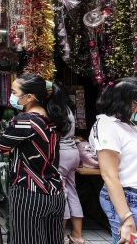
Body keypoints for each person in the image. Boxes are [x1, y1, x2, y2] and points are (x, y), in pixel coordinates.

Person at [0, 73, 70, 244]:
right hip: (54, 192)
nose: (11, 97)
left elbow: (1, 145)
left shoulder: (25, 120)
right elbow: (26, 148)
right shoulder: (49, 118)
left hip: (30, 192)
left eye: (14, 92)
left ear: (29, 97)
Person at [88, 77, 137, 244]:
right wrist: (126, 217)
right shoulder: (105, 126)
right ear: (127, 101)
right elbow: (109, 175)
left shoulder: (130, 126)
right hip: (132, 198)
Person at [56, 84, 84, 244]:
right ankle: (78, 235)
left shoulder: (54, 109)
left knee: (61, 192)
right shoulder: (67, 108)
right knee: (72, 192)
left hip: (61, 153)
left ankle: (62, 235)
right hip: (73, 152)